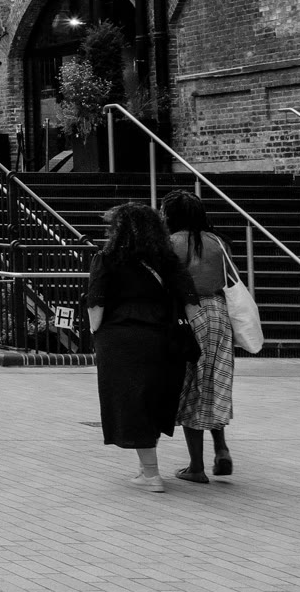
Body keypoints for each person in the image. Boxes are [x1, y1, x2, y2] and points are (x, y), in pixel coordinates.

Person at [87, 202, 198, 491]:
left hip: (121, 339)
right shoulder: (166, 259)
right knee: (154, 401)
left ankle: (151, 475)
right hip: (164, 338)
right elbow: (191, 302)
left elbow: (96, 303)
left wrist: (95, 332)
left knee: (132, 404)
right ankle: (144, 468)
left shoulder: (107, 258)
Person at [164, 190, 236, 483]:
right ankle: (221, 449)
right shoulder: (219, 242)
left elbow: (167, 283)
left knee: (191, 384)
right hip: (219, 313)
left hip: (189, 314)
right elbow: (230, 279)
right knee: (214, 381)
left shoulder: (172, 243)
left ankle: (196, 467)